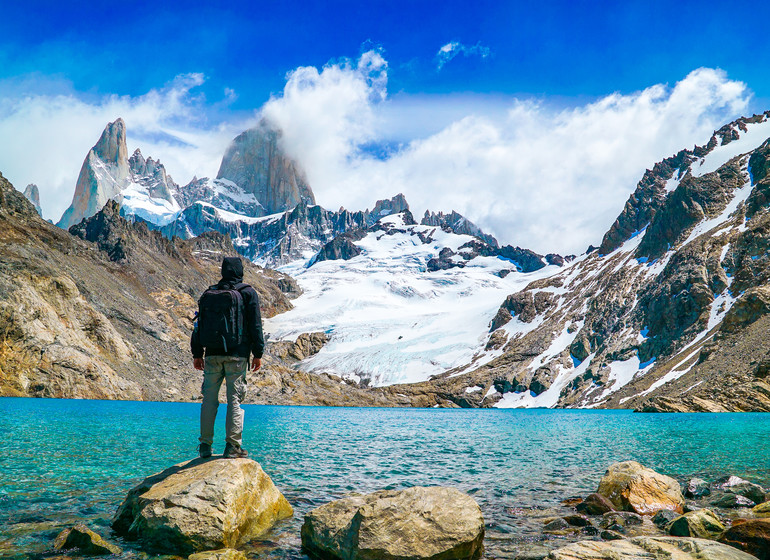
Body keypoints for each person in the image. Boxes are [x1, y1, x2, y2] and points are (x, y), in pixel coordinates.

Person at [191, 256, 264, 459]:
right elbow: (256, 325)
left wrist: (197, 353)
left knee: (209, 400)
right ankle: (232, 447)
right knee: (234, 400)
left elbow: (198, 325)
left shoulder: (210, 293)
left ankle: (205, 446)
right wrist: (258, 353)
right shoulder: (247, 292)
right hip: (237, 356)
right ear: (240, 271)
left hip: (212, 354)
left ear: (223, 271)